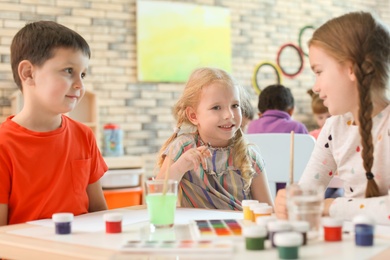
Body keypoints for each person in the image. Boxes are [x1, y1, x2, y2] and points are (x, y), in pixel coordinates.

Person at [275, 11, 390, 224]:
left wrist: (329, 206)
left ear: (350, 68)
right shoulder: (334, 128)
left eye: (318, 72)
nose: (315, 87)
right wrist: (291, 201)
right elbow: (308, 193)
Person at [0, 21, 108, 225]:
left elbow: (98, 213)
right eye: (69, 70)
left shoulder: (84, 135)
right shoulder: (3, 144)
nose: (80, 84)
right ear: (28, 73)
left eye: (83, 74)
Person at [155, 67, 273, 210]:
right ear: (193, 116)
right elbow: (157, 194)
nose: (229, 115)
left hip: (240, 230)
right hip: (198, 230)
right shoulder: (183, 147)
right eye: (216, 107)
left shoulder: (250, 156)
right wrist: (181, 166)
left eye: (235, 105)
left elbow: (268, 210)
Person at [308, 89, 343, 199]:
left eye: (328, 116)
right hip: (320, 182)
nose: (324, 121)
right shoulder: (311, 137)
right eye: (320, 117)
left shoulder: (340, 133)